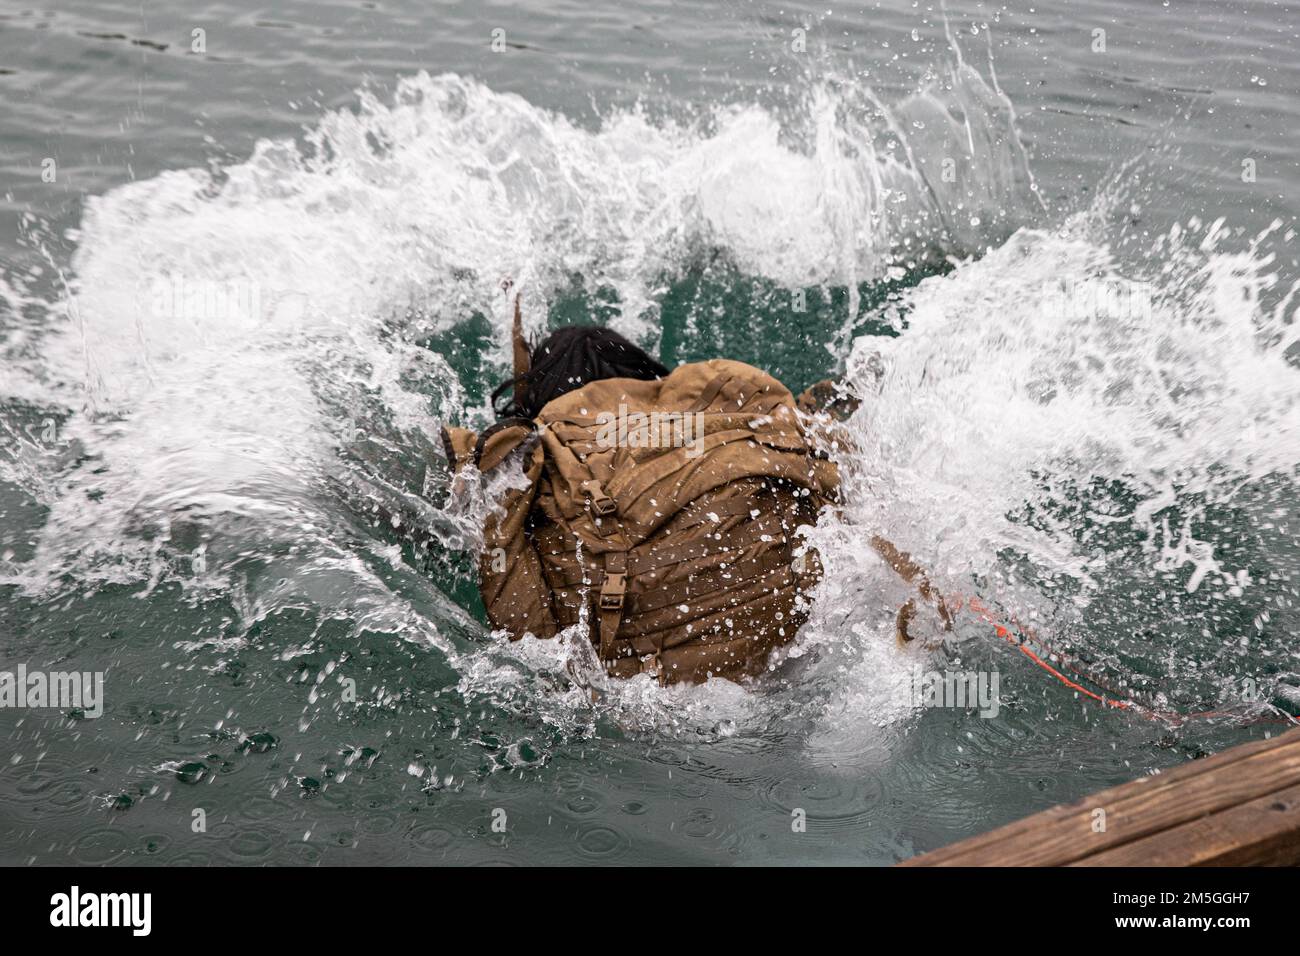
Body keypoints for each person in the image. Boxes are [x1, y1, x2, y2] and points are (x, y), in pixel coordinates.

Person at [441, 296, 949, 685]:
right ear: (642, 375)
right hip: (806, 645)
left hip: (653, 706)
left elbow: (521, 625)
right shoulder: (721, 405)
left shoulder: (527, 462)